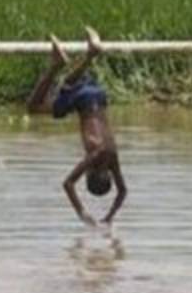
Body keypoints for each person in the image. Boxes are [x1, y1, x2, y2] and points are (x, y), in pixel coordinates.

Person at [27, 26, 127, 226]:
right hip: (85, 101)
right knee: (33, 107)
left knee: (67, 85)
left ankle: (90, 55)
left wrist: (110, 217)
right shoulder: (96, 156)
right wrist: (82, 214)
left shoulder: (113, 156)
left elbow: (122, 192)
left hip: (98, 96)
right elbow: (68, 184)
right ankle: (58, 63)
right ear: (91, 173)